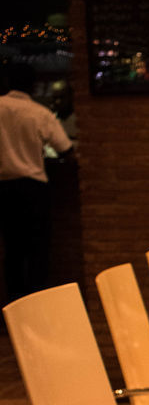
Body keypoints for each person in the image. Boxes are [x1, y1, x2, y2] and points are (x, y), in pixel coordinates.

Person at [0, 60, 73, 302]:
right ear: (33, 85)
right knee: (37, 250)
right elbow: (65, 149)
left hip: (4, 189)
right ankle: (37, 304)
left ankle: (14, 306)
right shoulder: (40, 113)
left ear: (8, 81)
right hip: (33, 188)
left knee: (12, 250)